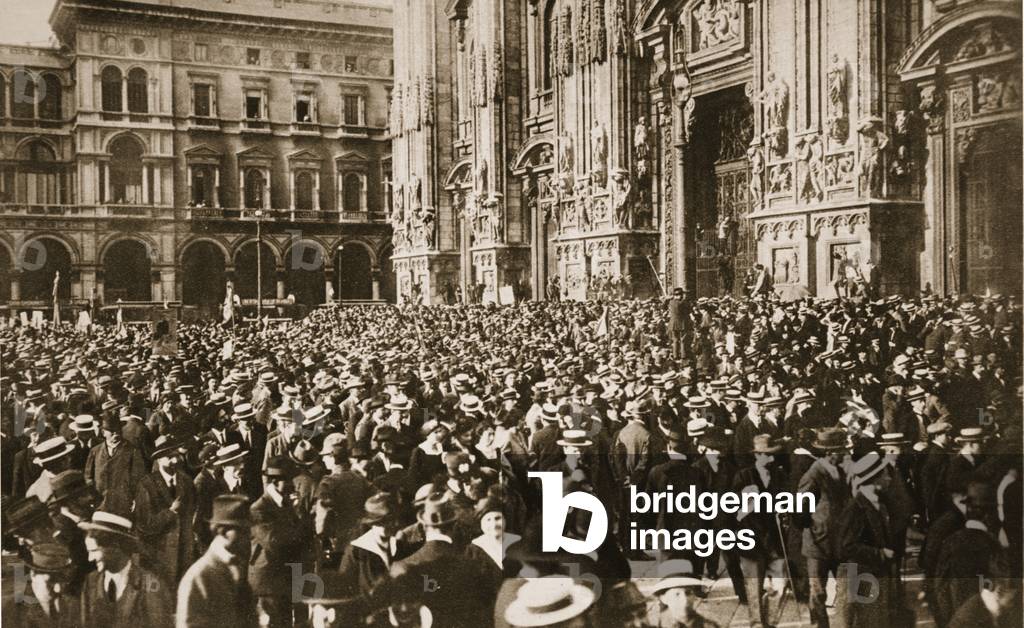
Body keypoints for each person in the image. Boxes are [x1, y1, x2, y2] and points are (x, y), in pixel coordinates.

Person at [78, 510, 174, 628]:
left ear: (115, 546)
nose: (90, 558)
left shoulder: (150, 583)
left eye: (94, 551)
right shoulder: (90, 582)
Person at [175, 495, 257, 628]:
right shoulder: (199, 576)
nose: (249, 537)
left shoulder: (236, 568)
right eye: (242, 531)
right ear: (223, 531)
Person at [249, 457, 306, 628]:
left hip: (284, 578)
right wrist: (301, 525)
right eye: (289, 480)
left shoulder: (286, 504)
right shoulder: (259, 508)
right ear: (276, 482)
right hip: (268, 582)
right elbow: (275, 541)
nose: (293, 484)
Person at [134, 435, 197, 584]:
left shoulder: (186, 481)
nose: (175, 461)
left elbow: (194, 511)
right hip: (160, 555)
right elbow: (144, 524)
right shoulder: (147, 485)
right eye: (169, 457)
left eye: (176, 456)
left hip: (184, 552)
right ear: (159, 460)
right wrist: (170, 512)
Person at [1, 543, 81, 628]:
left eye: (61, 581)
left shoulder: (73, 604)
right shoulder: (14, 610)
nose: (58, 589)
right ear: (33, 576)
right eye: (51, 581)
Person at [84, 414, 146, 516]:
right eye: (112, 432)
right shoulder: (95, 451)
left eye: (118, 431)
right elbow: (88, 477)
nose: (116, 434)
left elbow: (139, 477)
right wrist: (92, 496)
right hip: (100, 503)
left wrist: (135, 499)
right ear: (103, 433)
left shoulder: (132, 450)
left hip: (123, 503)